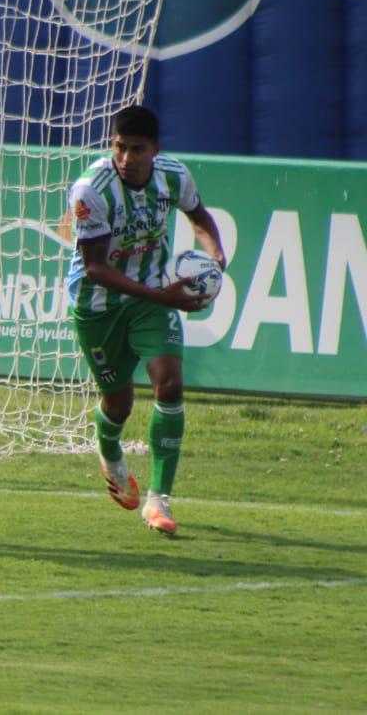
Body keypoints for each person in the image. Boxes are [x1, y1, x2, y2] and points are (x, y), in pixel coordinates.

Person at [67, 105, 225, 536]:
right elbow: (95, 268)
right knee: (118, 403)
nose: (126, 158)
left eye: (137, 149)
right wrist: (164, 296)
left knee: (169, 383)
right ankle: (109, 449)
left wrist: (215, 254)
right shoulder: (90, 191)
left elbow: (199, 217)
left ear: (155, 148)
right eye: (120, 147)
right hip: (98, 305)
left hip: (151, 298)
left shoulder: (174, 176)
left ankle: (159, 499)